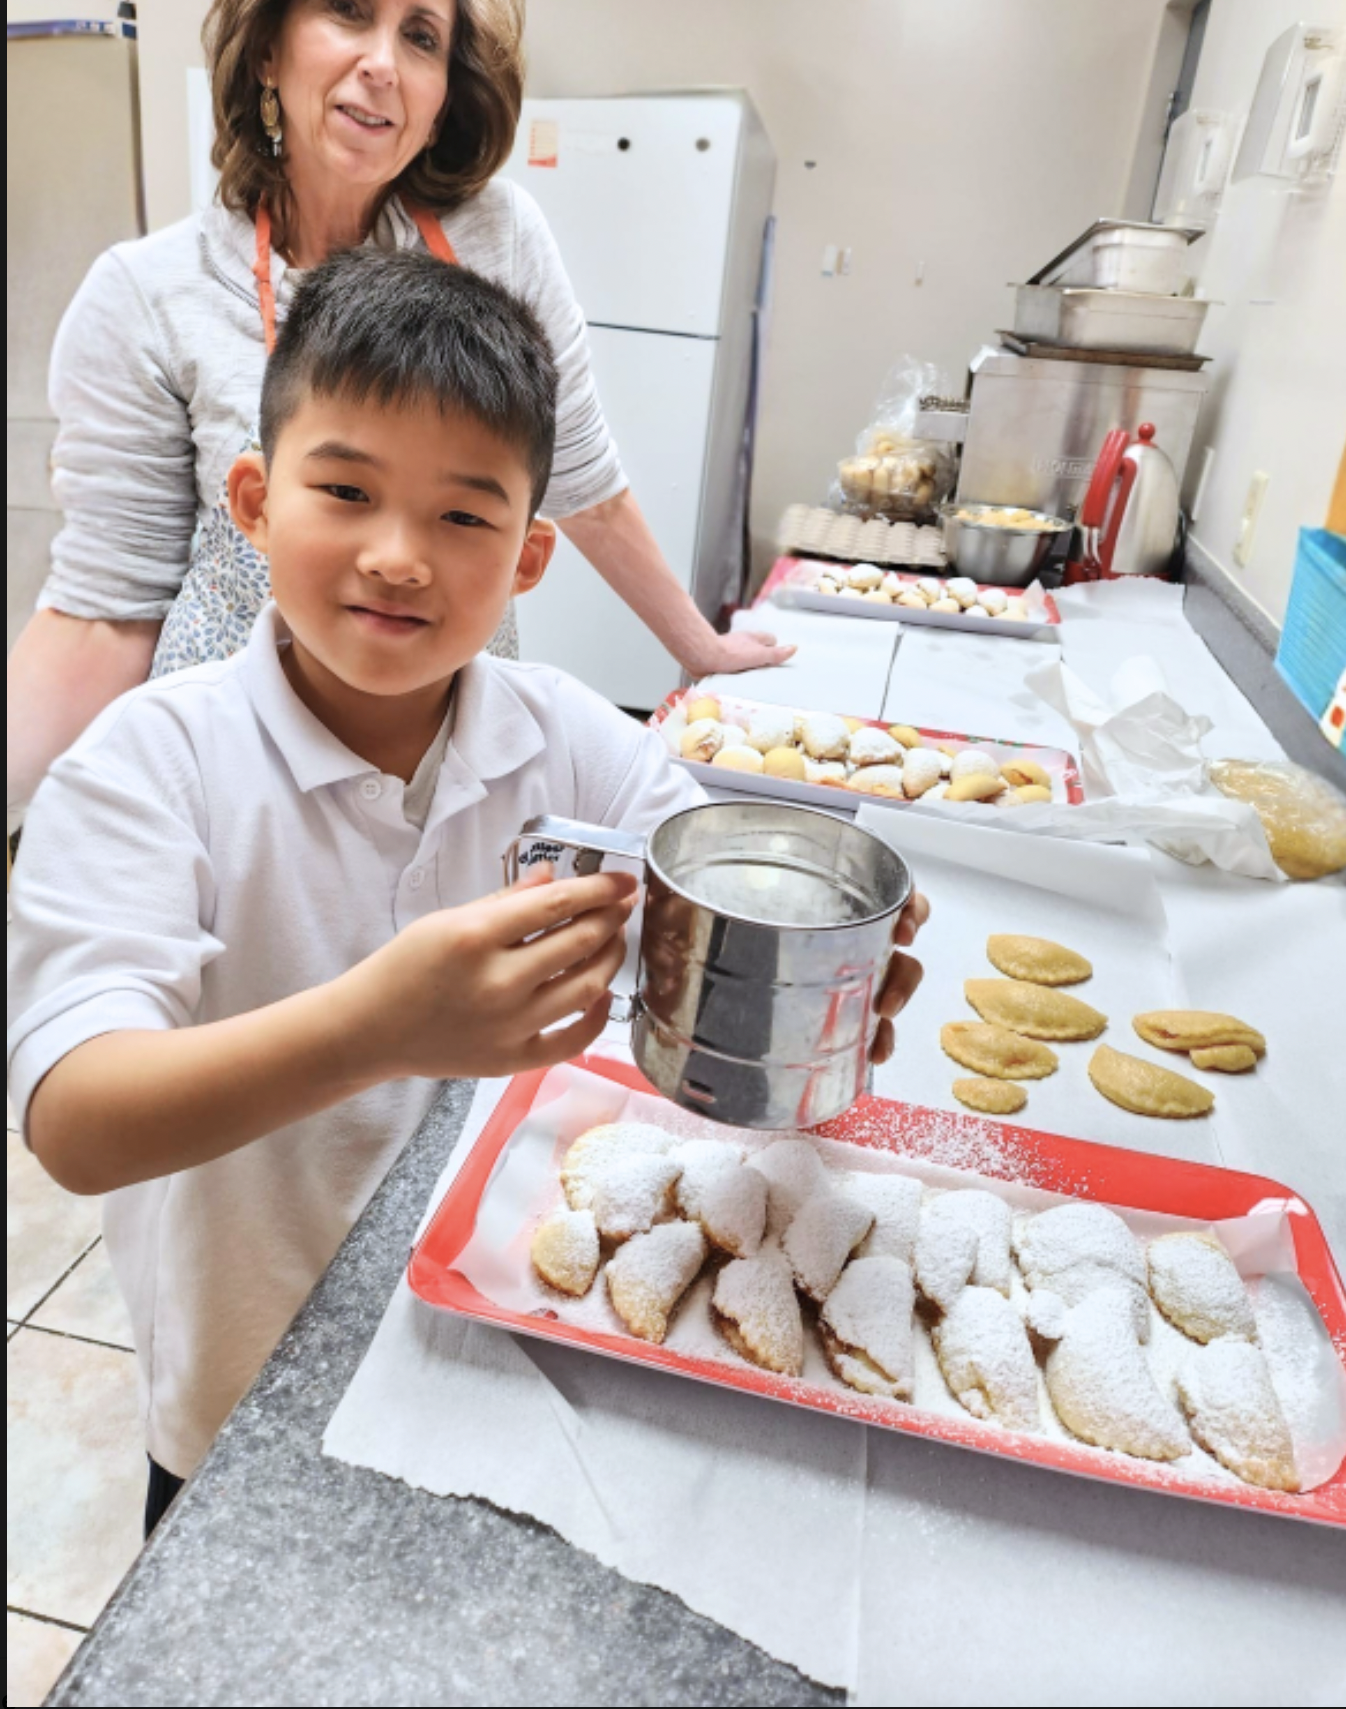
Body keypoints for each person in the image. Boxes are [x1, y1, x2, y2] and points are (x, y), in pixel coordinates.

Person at [7, 249, 927, 1536]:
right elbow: (75, 1119)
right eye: (346, 489)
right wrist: (375, 1027)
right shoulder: (151, 766)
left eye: (462, 515)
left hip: (508, 1349)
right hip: (245, 1388)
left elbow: (711, 882)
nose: (398, 556)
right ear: (255, 501)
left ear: (530, 556)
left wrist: (812, 969)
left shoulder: (568, 738)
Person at [5, 0, 791, 822]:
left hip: (453, 755)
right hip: (238, 786)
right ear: (267, 49)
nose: (383, 60)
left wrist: (699, 647)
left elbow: (582, 479)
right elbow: (103, 612)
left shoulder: (499, 238)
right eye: (347, 9)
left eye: (421, 37)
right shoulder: (145, 296)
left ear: (440, 93)